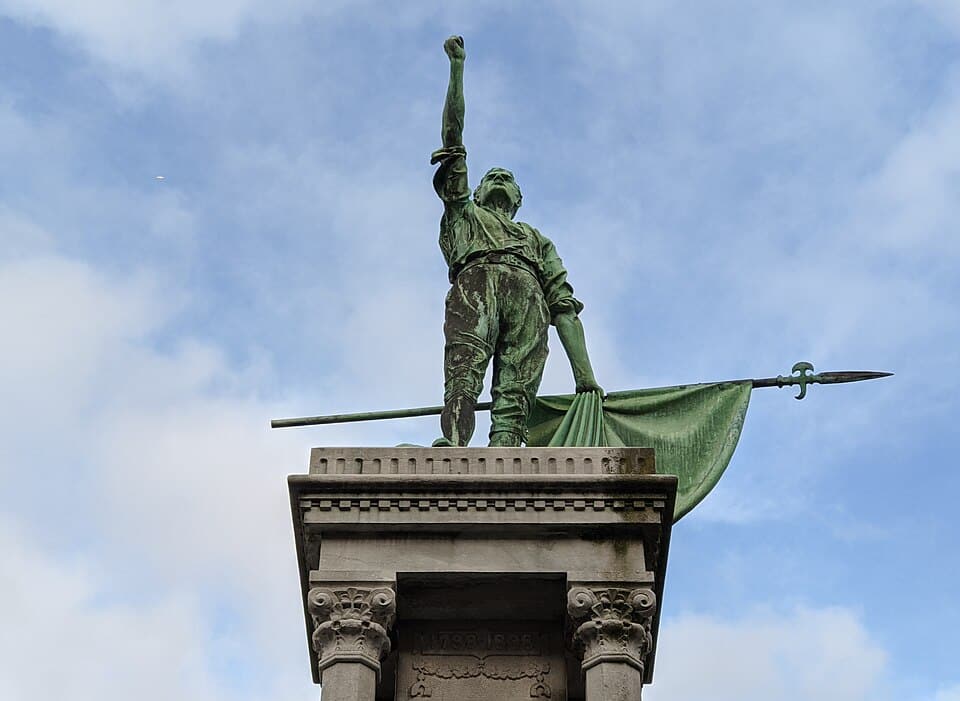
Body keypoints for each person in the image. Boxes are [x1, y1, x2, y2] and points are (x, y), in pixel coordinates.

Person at [432, 35, 602, 448]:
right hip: (476, 286)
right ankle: (454, 446)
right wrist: (457, 69)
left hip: (529, 299)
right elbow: (454, 140)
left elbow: (563, 307)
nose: (499, 180)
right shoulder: (465, 216)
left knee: (516, 394)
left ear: (519, 198)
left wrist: (586, 377)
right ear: (475, 191)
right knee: (463, 372)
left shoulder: (537, 241)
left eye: (508, 178)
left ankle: (504, 458)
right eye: (492, 176)